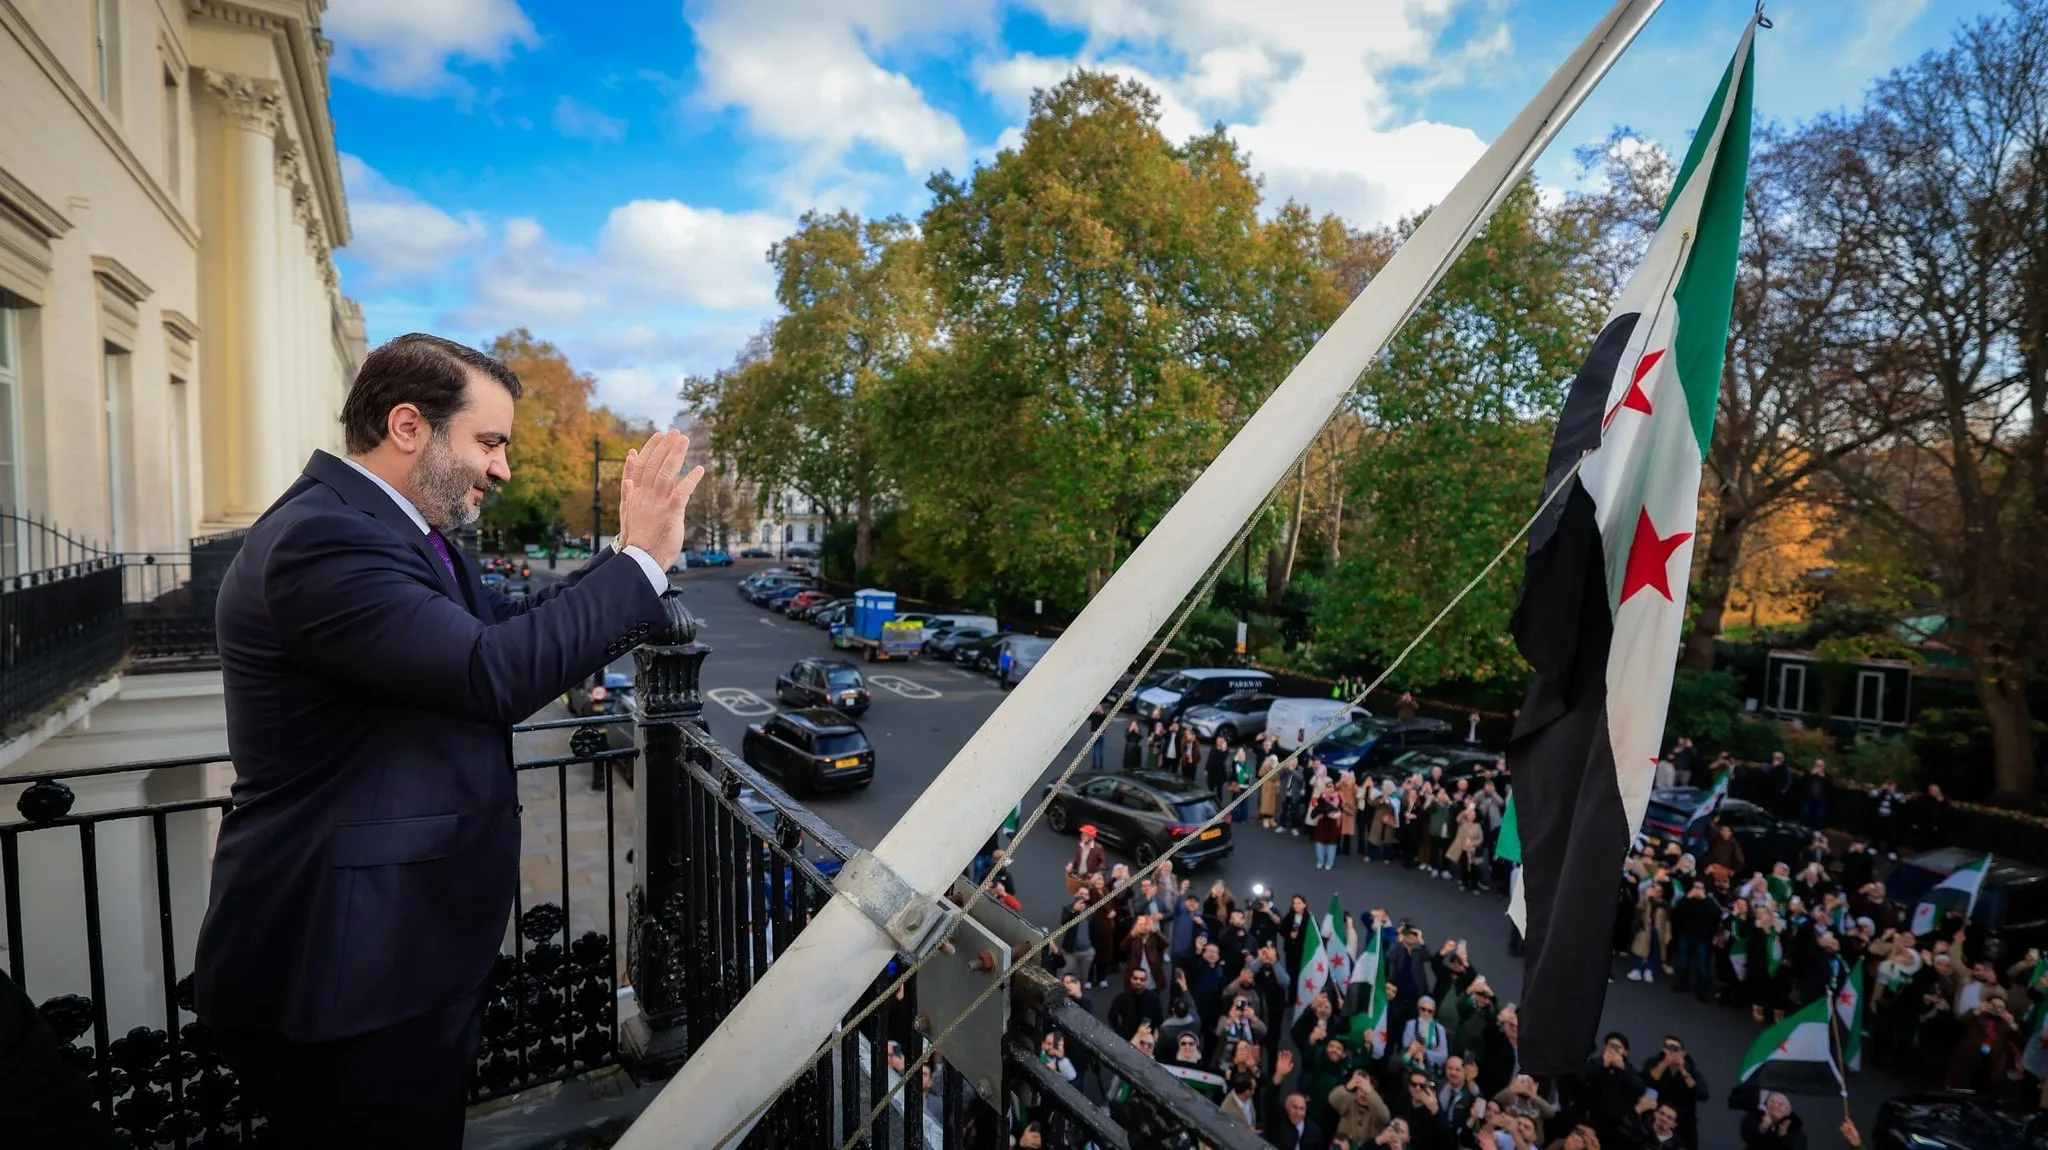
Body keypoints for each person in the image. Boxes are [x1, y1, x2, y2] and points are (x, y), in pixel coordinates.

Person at [191, 336, 701, 1148]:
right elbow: (490, 672)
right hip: (344, 974)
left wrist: (626, 562)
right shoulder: (323, 539)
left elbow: (504, 626)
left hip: (391, 960)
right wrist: (639, 562)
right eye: (488, 441)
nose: (502, 469)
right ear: (407, 426)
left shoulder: (393, 531)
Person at [1738, 1091, 1807, 1150]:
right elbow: (1747, 1137)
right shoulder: (1754, 1118)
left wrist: (1783, 1136)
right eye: (1772, 1102)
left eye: (1780, 1104)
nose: (1775, 1106)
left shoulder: (1794, 1129)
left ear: (1787, 1111)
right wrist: (1762, 1128)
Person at [1066, 824, 1106, 895]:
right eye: (1082, 835)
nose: (1082, 837)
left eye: (1084, 835)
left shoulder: (1098, 848)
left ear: (1091, 837)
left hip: (1090, 877)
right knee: (1078, 893)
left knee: (1089, 894)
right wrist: (1071, 864)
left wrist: (1097, 874)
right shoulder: (1081, 845)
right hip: (1079, 875)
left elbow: (1102, 863)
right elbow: (1077, 858)